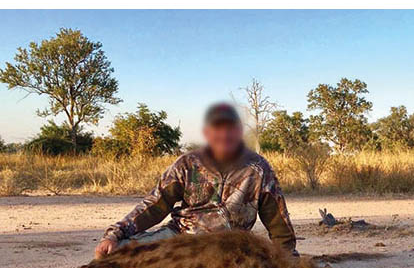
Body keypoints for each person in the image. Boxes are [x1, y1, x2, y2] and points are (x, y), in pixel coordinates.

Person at [94, 102, 296, 258]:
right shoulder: (187, 163)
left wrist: (287, 260)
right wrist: (115, 234)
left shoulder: (259, 169)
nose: (224, 135)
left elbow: (278, 221)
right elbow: (154, 205)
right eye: (218, 128)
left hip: (231, 248)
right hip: (182, 237)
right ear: (208, 133)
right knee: (115, 253)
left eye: (231, 128)